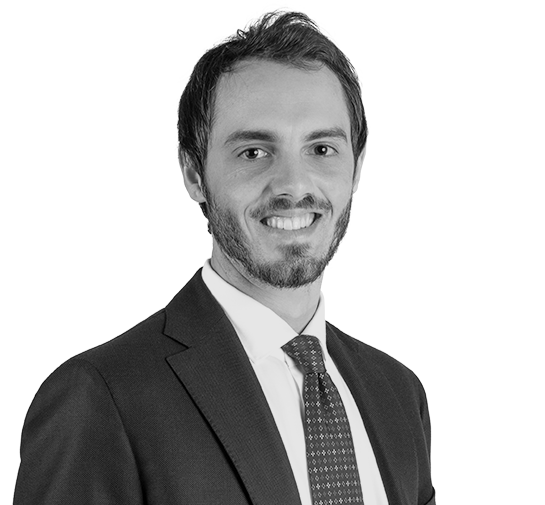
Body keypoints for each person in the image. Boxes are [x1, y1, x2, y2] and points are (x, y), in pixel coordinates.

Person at [14, 11, 435, 505]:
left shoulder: (399, 396)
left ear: (357, 168)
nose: (294, 185)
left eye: (322, 149)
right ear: (194, 173)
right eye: (254, 152)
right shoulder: (101, 398)